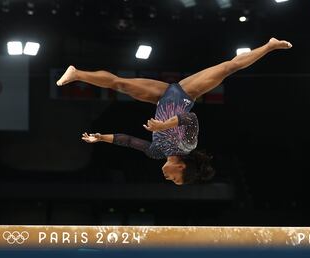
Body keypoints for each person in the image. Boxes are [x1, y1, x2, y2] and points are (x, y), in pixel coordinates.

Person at [56, 38, 292, 185]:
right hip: (186, 94)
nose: (168, 178)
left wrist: (101, 138)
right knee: (229, 67)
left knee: (120, 84)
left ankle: (77, 74)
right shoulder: (186, 146)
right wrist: (163, 126)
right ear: (182, 167)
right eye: (175, 179)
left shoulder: (157, 152)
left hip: (161, 97)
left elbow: (127, 141)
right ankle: (269, 46)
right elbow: (189, 118)